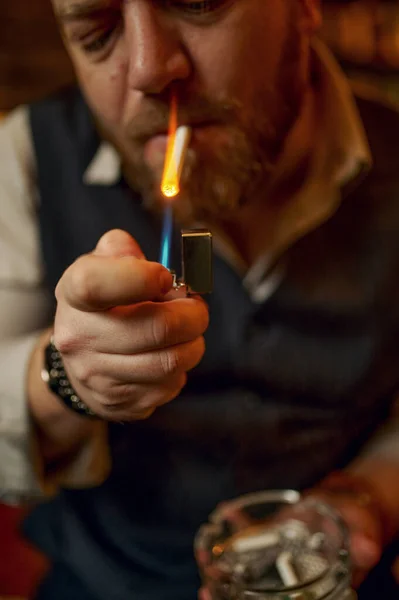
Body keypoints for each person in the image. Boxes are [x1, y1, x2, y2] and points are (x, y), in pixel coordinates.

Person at [0, 0, 398, 598]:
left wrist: (364, 500)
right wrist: (64, 376)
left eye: (197, 3)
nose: (149, 70)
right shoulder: (26, 157)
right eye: (97, 31)